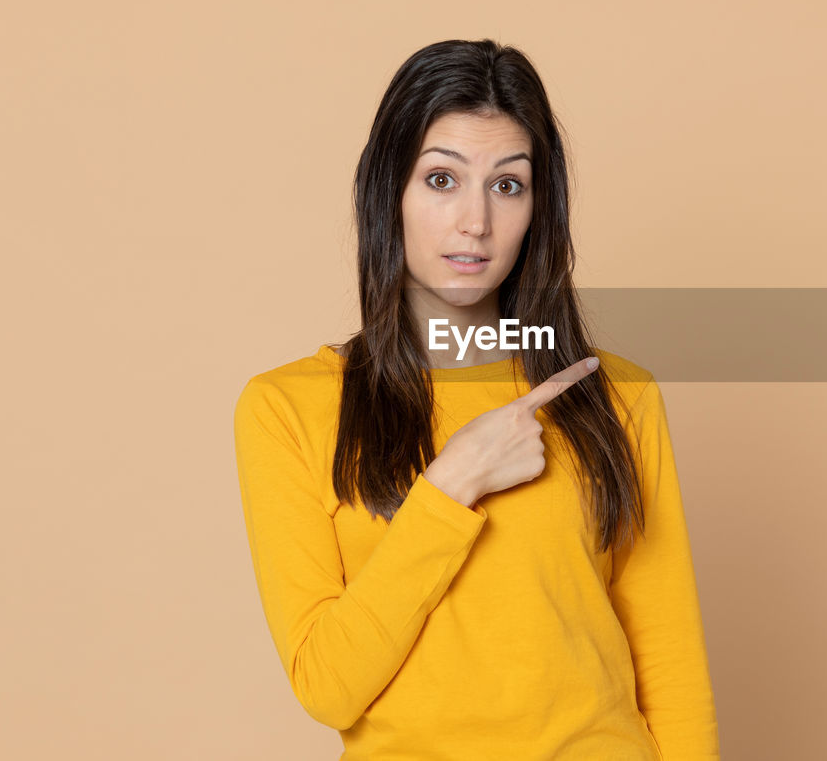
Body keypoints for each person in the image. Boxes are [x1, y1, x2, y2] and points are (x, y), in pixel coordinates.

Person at [233, 38, 719, 759]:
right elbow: (327, 684)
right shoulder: (289, 408)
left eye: (507, 184)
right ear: (386, 192)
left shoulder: (616, 397)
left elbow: (671, 664)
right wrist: (450, 485)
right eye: (440, 180)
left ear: (538, 207)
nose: (475, 223)